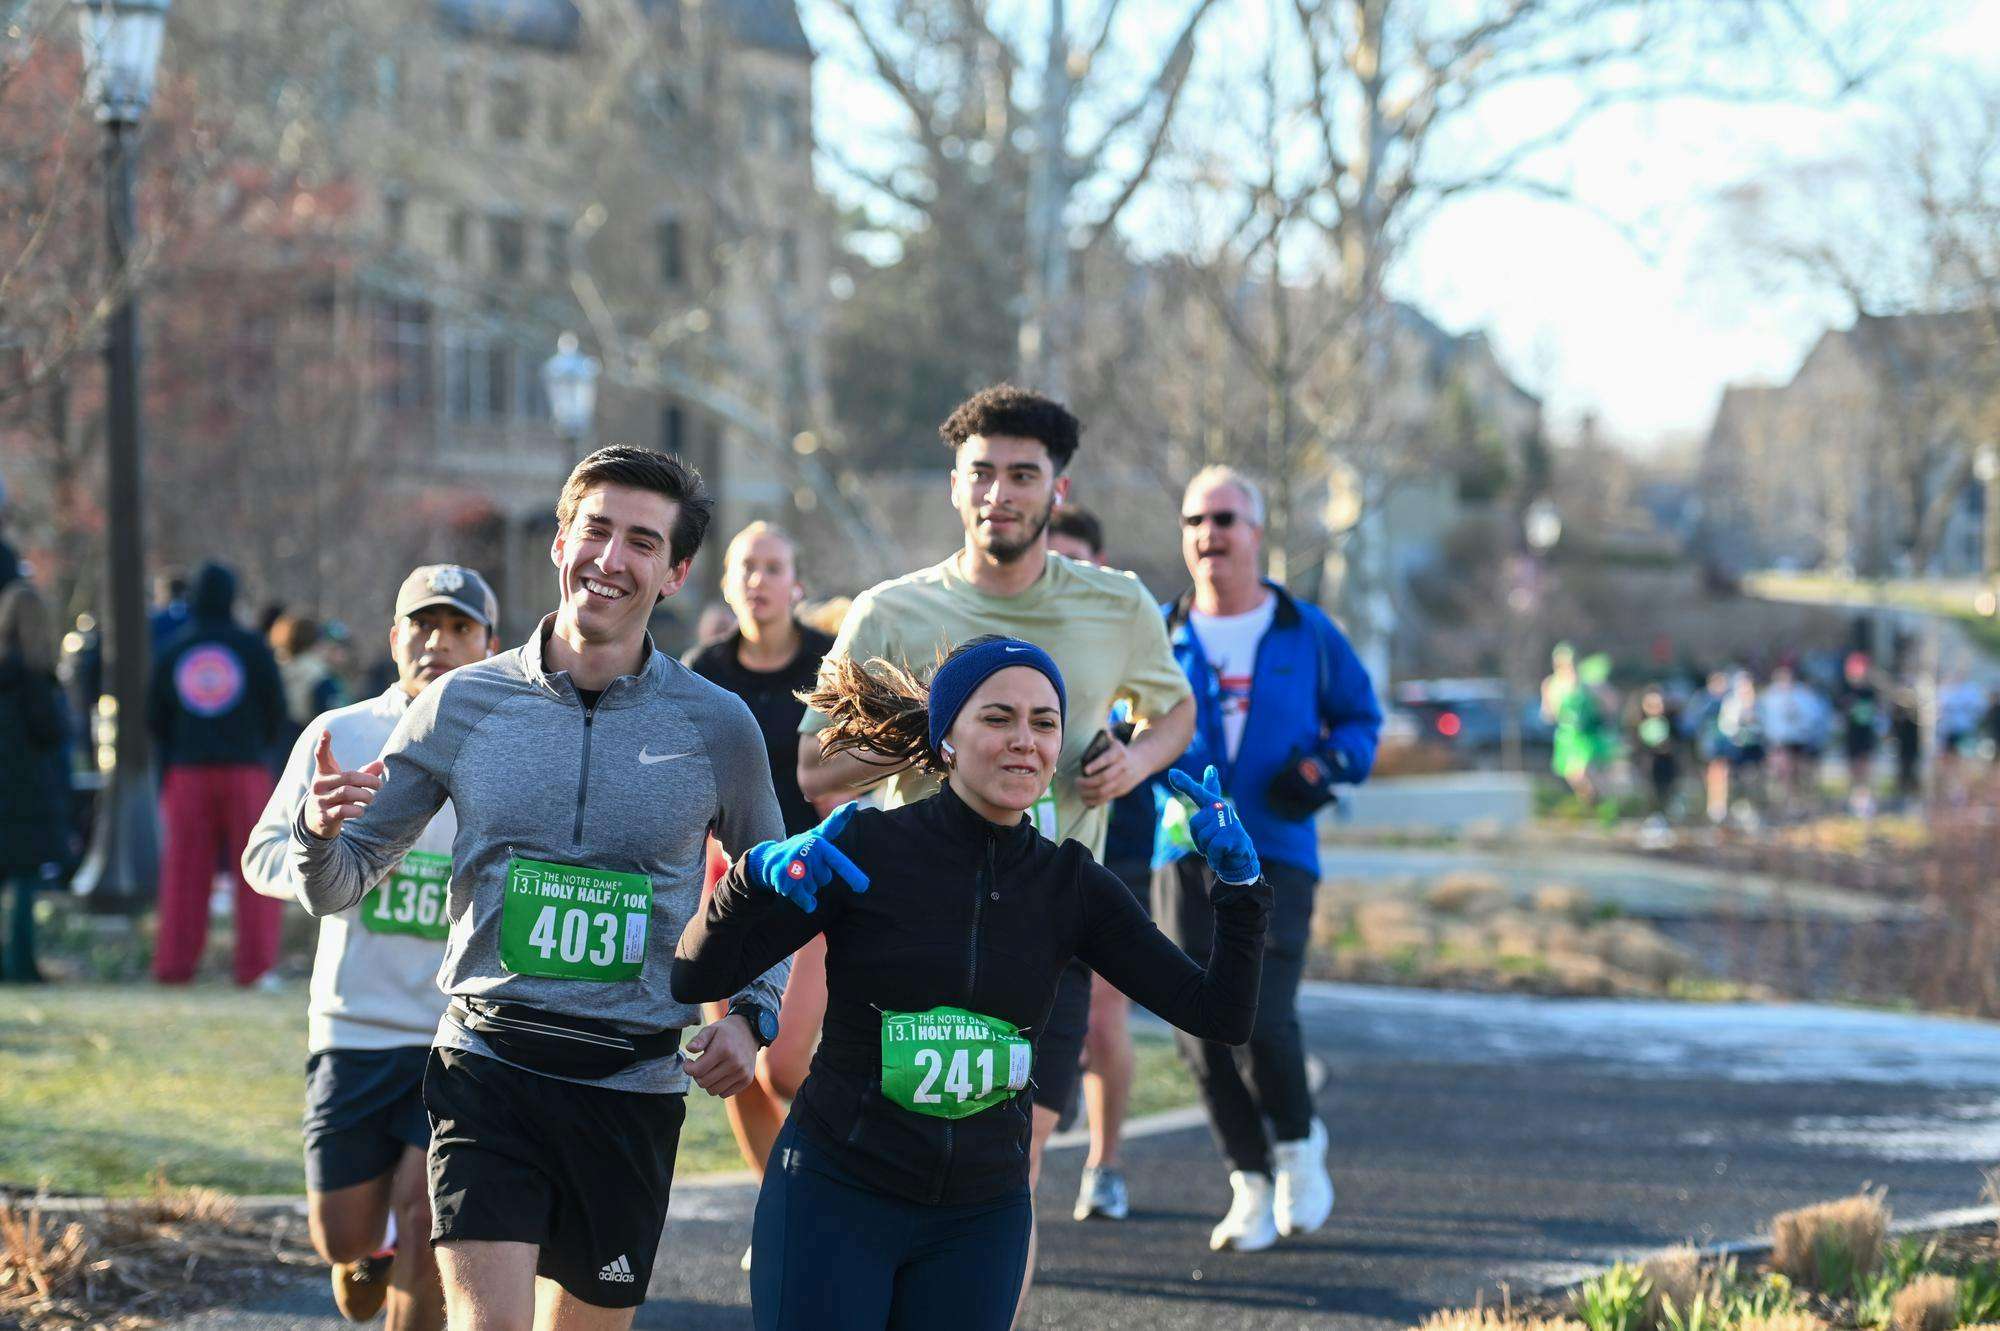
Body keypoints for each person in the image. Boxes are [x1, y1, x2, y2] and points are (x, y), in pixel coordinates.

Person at [289, 446, 790, 1329]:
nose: (610, 557)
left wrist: (752, 1014)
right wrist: (318, 833)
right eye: (595, 528)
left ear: (674, 572)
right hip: (489, 1070)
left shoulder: (719, 725)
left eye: (642, 540)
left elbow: (768, 889)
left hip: (629, 1088)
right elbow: (339, 884)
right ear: (561, 540)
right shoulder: (459, 705)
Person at [675, 637, 1270, 1331]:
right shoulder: (867, 849)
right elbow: (696, 973)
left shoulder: (1071, 885)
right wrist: (749, 880)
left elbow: (1219, 1012)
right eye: (999, 717)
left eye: (1044, 722)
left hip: (979, 1218)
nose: (1025, 740)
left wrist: (1240, 889)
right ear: (947, 737)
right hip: (836, 1195)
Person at [795, 385, 1195, 1311]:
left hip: (1047, 936)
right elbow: (815, 768)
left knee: (1002, 1179)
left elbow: (1177, 709)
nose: (1000, 493)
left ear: (1058, 489)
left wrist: (1131, 763)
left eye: (1024, 474)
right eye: (983, 472)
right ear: (955, 484)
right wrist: (936, 738)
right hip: (904, 935)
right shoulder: (892, 612)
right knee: (881, 1177)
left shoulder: (1117, 604)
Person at [242, 565, 500, 1328]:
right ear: (395, 638)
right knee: (342, 1231)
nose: (439, 643)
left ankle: (402, 1250)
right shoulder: (340, 734)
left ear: (491, 644)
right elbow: (262, 856)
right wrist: (327, 853)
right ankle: (369, 1249)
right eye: (423, 625)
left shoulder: (511, 745)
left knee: (428, 1218)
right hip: (353, 1025)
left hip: (456, 1033)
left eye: (460, 629)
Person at [1159, 464, 1381, 1252]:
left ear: (1255, 532)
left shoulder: (1307, 630)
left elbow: (1362, 722)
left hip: (1280, 848)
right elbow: (1113, 726)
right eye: (1195, 520)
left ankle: (1297, 1143)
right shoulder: (1158, 632)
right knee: (1196, 1023)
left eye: (1224, 518)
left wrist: (1321, 768)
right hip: (1180, 852)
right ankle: (1248, 1178)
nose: (1208, 534)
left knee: (1261, 1010)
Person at [682, 522, 836, 1252]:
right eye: (747, 565)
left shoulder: (828, 663)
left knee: (787, 1065)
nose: (759, 578)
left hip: (812, 884)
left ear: (797, 584)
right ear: (727, 581)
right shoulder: (703, 669)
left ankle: (835, 1184)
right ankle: (783, 1211)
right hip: (731, 885)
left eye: (774, 566)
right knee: (731, 1058)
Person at [1046, 504, 1149, 1222]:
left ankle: (1105, 1162)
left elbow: (1176, 718)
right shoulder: (1016, 630)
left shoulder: (1125, 628)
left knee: (1105, 1019)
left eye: (1077, 562)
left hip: (1121, 844)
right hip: (1038, 845)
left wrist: (1128, 753)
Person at [148, 561, 288, 986]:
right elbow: (276, 711)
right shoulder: (253, 648)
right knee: (259, 872)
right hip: (245, 769)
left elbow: (155, 717)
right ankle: (256, 967)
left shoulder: (174, 649)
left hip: (188, 771)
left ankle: (175, 965)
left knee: (183, 872)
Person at [0, 562, 70, 983]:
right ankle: (21, 962)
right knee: (25, 880)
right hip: (25, 791)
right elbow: (49, 734)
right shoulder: (35, 680)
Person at [1834, 651, 1884, 817]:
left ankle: (1867, 801)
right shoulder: (1845, 690)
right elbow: (1840, 713)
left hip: (1866, 734)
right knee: (1853, 770)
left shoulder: (1870, 692)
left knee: (1867, 768)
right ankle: (1854, 801)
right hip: (1851, 735)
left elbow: (1877, 711)